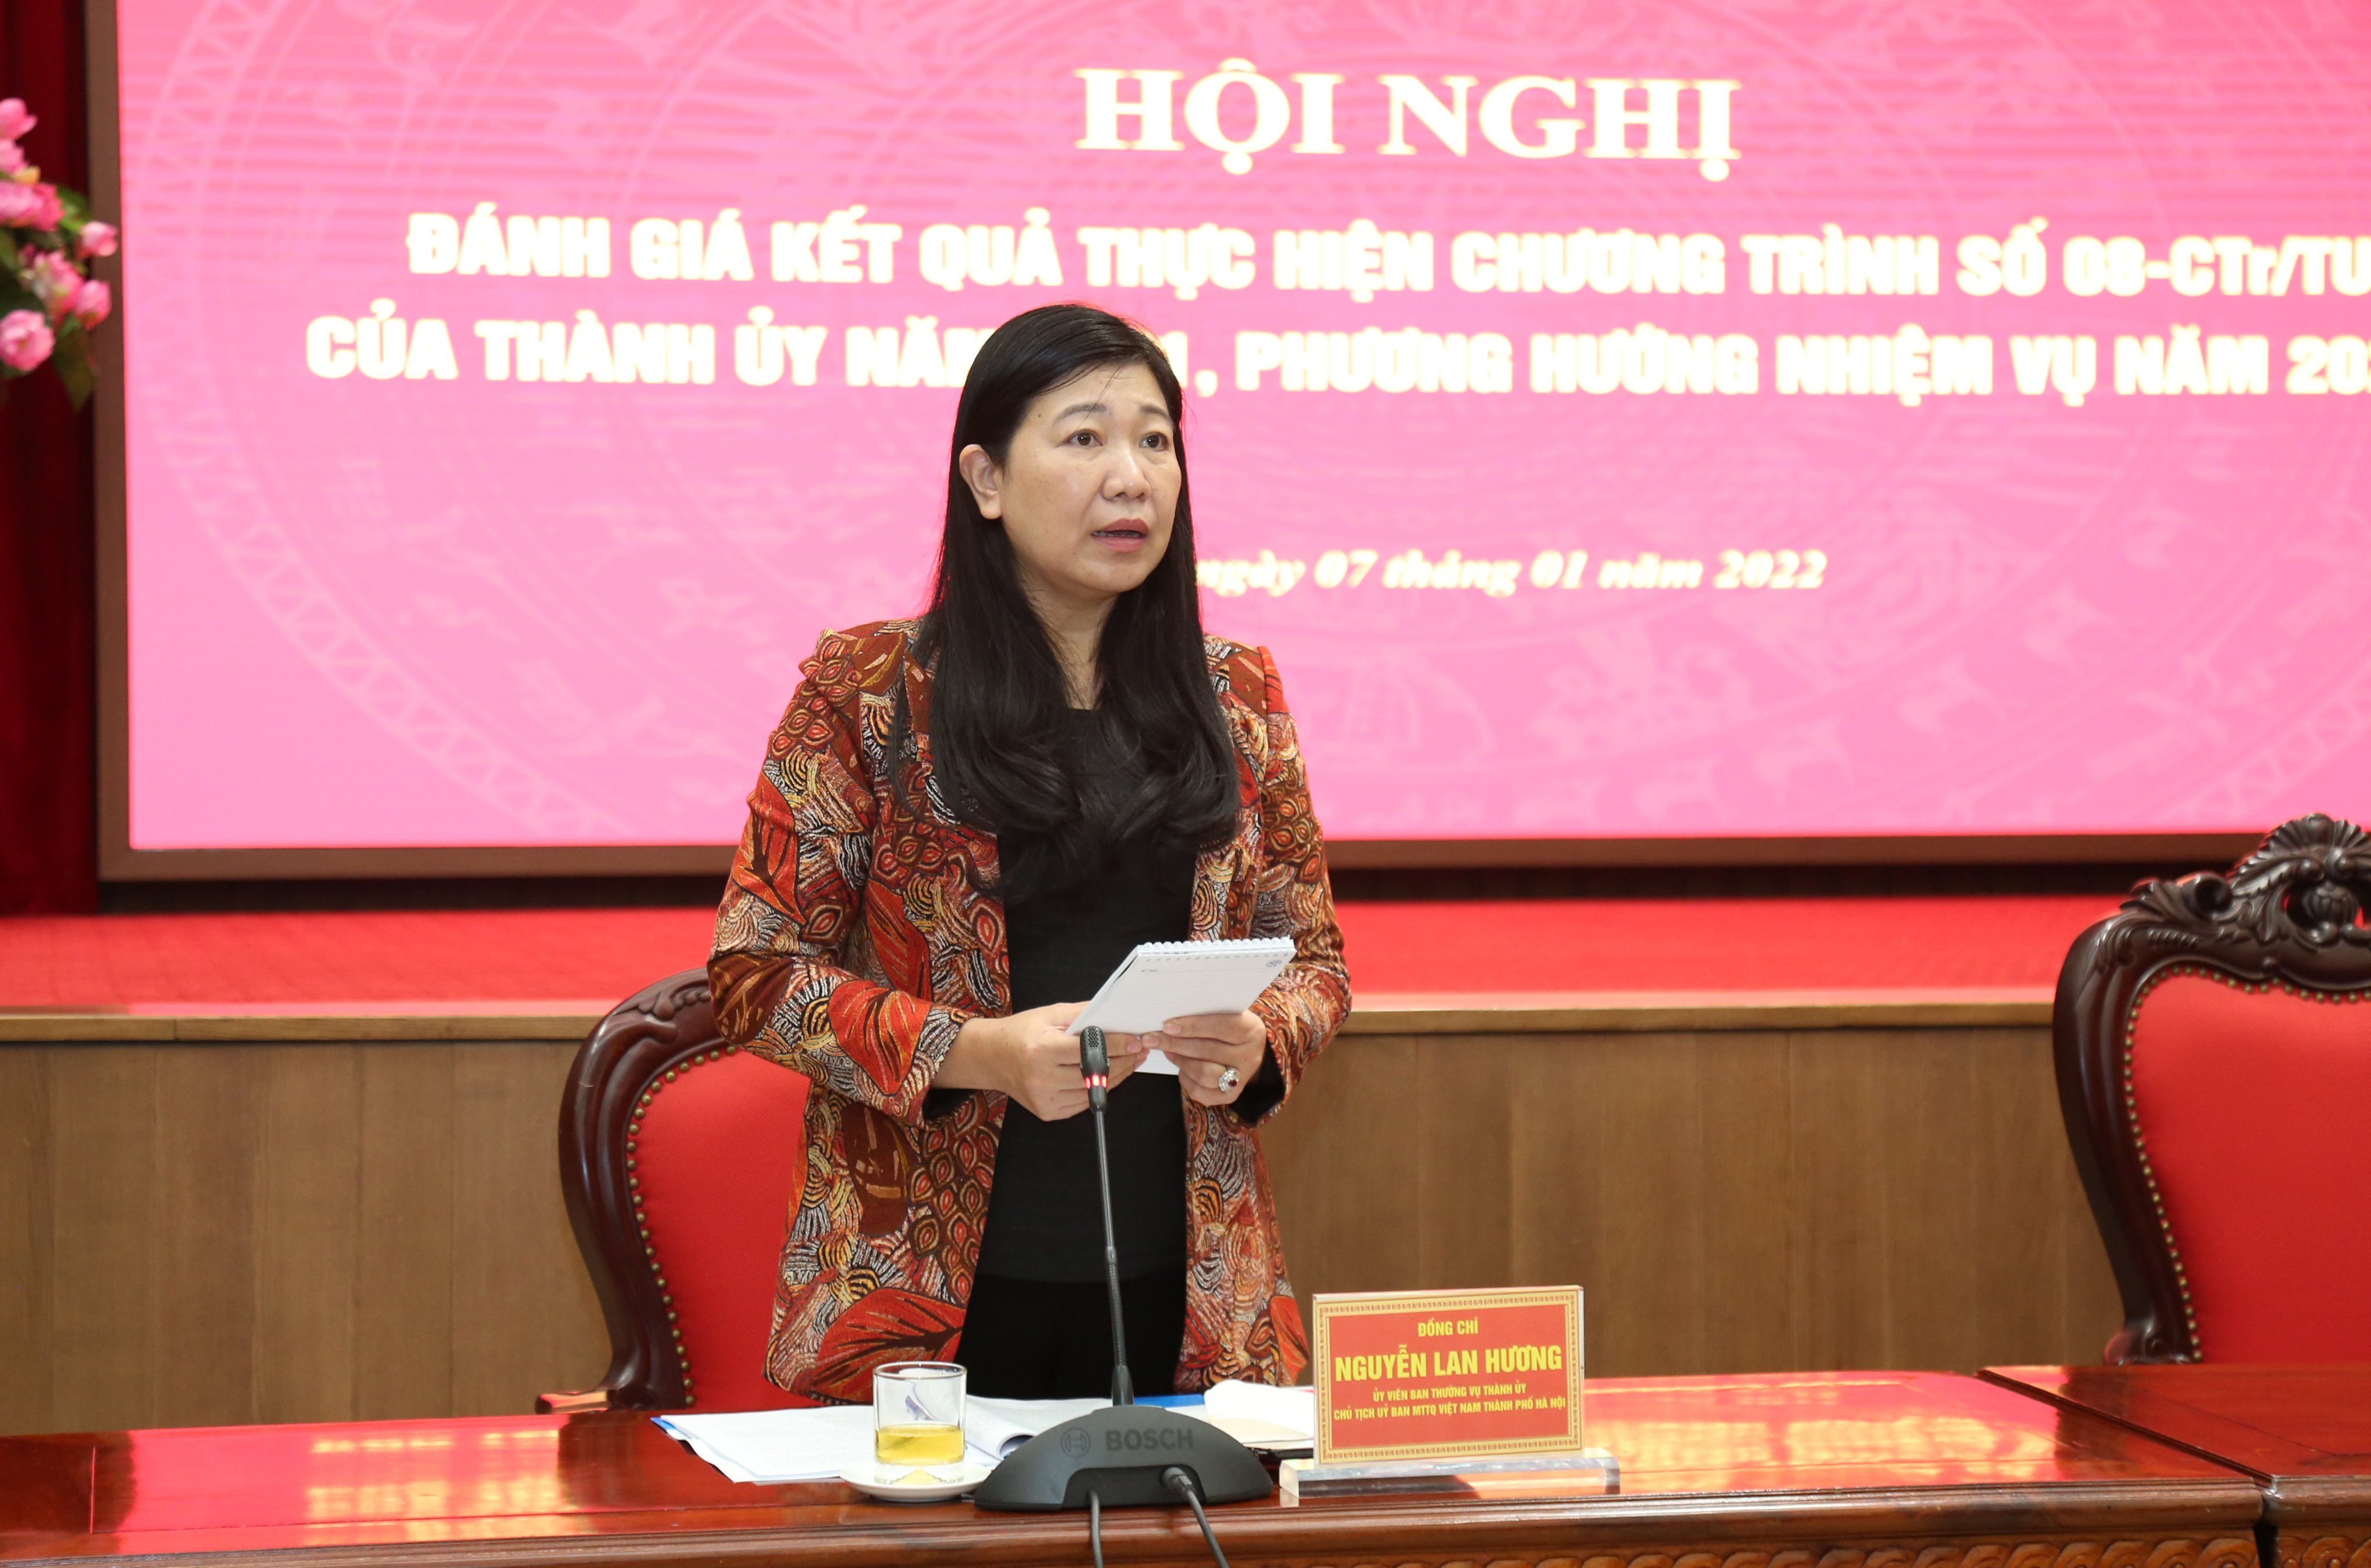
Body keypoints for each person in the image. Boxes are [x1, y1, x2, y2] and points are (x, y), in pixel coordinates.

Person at [708, 303, 1350, 1403]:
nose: (1131, 478)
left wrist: (1259, 1041)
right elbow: (755, 973)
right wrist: (979, 1053)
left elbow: (1317, 963)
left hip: (1191, 1296)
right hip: (922, 1300)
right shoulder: (869, 691)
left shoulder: (1238, 695)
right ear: (987, 479)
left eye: (1156, 441)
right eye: (1085, 437)